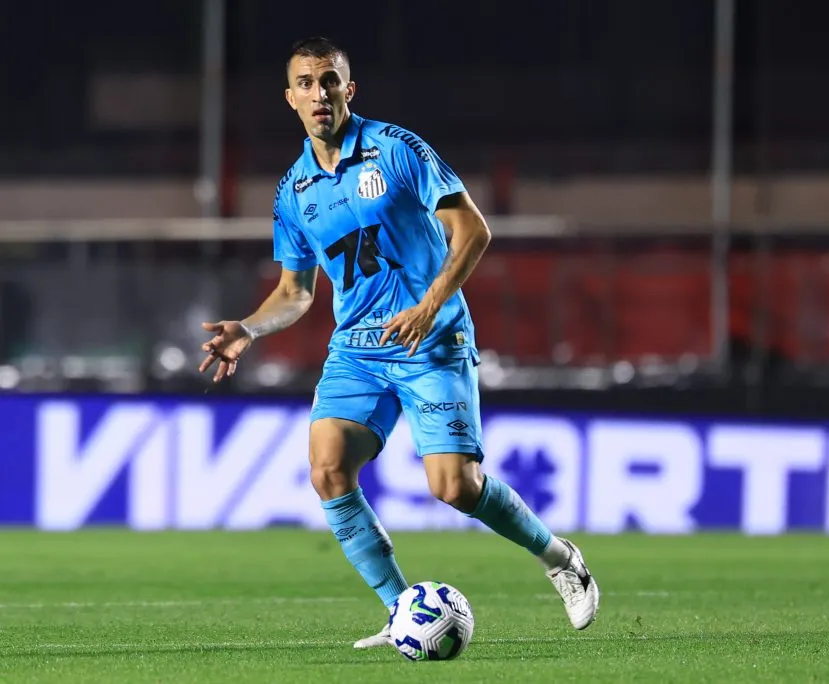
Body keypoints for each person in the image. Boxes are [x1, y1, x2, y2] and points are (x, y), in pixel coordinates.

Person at [198, 37, 599, 648]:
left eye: (329, 81)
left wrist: (430, 303)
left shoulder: (397, 148)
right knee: (328, 468)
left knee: (454, 487)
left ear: (348, 89)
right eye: (305, 83)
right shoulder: (293, 193)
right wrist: (248, 329)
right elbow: (297, 292)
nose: (319, 93)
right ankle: (398, 609)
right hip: (356, 349)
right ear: (290, 98)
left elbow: (473, 230)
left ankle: (559, 558)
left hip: (430, 337)